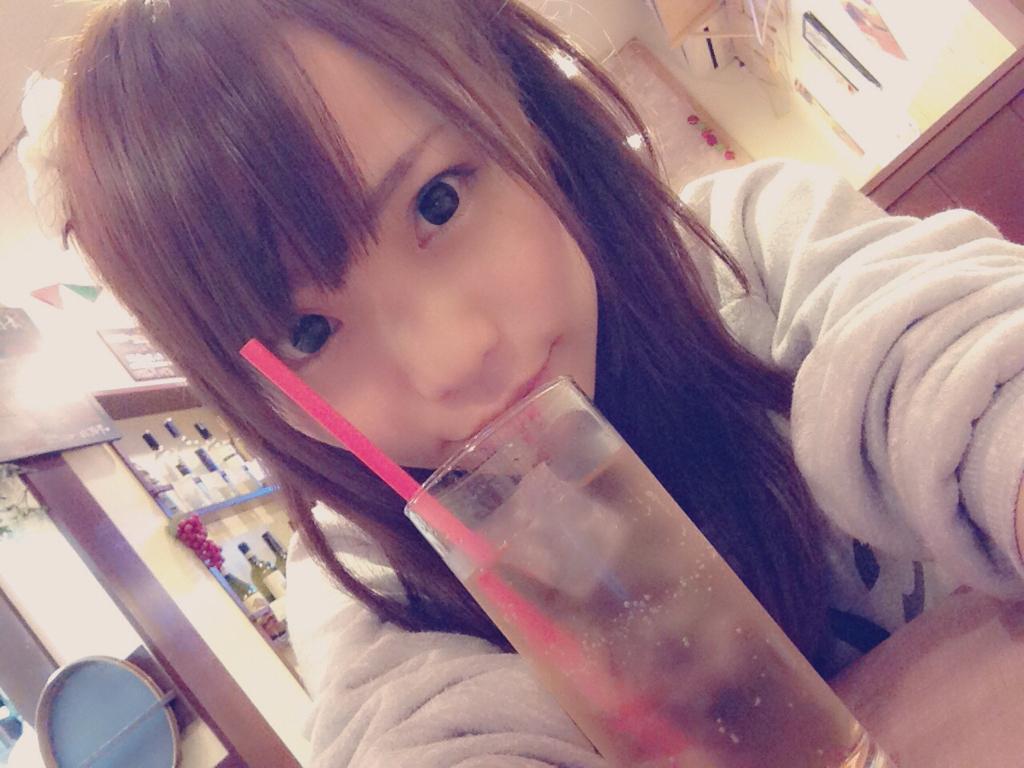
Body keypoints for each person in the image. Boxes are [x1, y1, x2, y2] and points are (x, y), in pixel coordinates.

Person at [48, 0, 1024, 764]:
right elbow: (423, 733)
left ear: (529, 118)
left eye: (438, 201)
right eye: (308, 331)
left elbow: (958, 361)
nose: (452, 356)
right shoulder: (371, 581)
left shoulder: (754, 252)